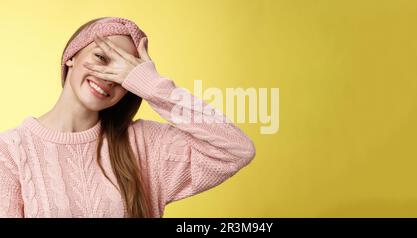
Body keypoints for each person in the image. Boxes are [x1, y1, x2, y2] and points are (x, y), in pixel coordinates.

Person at [0, 17, 255, 218]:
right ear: (71, 57)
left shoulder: (144, 144)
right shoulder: (11, 151)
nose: (109, 77)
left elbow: (236, 149)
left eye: (124, 73)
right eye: (101, 57)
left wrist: (152, 85)